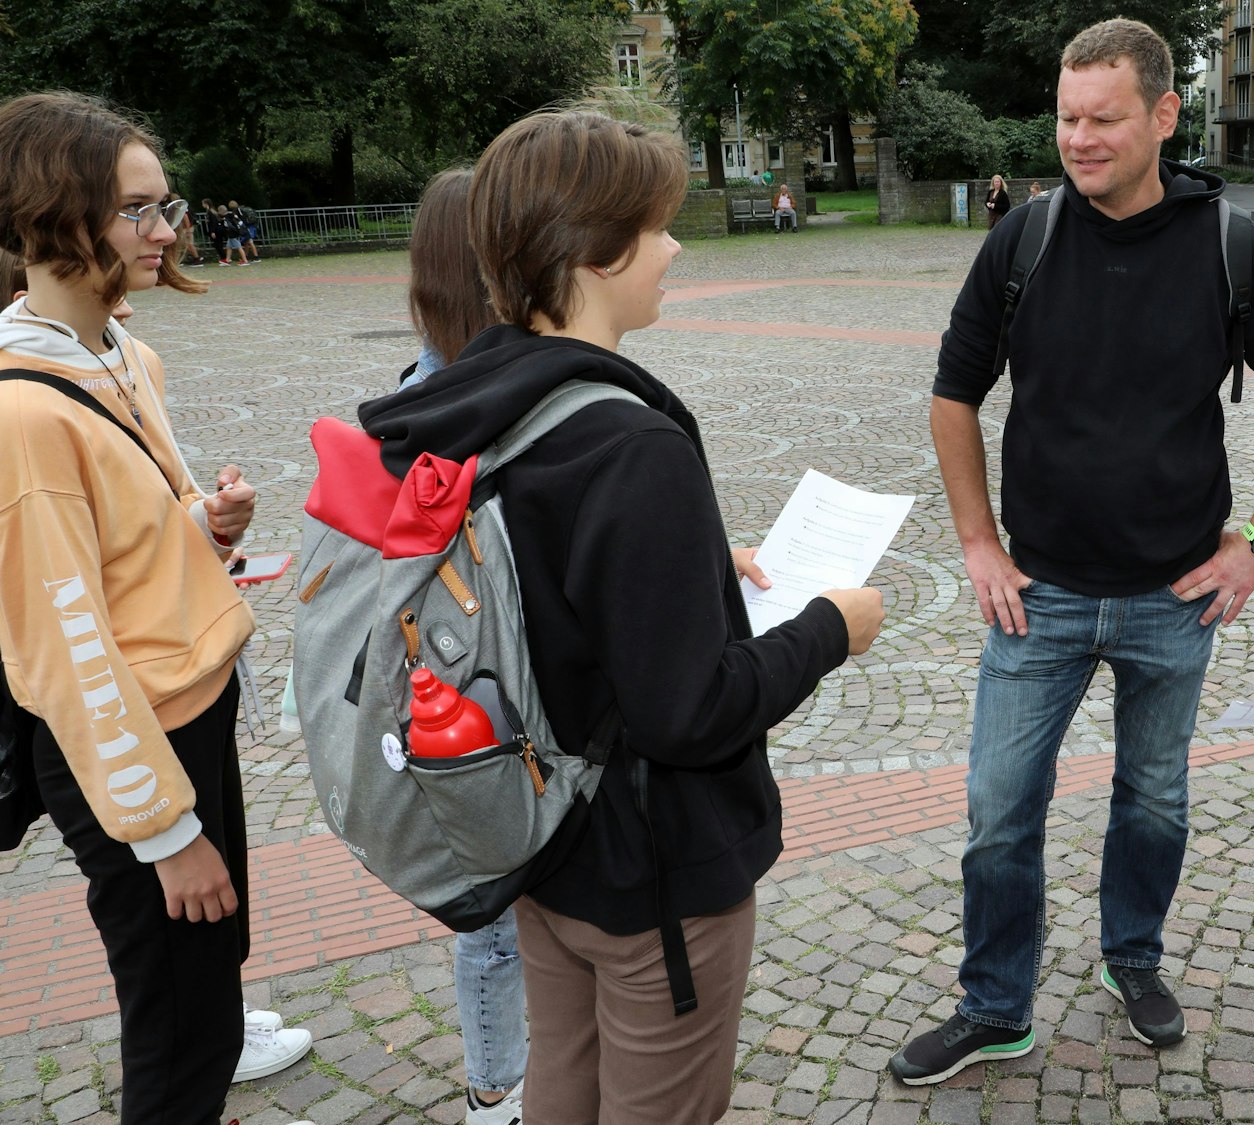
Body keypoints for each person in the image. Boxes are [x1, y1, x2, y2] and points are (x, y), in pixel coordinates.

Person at [355, 109, 883, 1125]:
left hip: (539, 842)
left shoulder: (471, 399)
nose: (676, 246)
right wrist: (829, 628)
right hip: (653, 875)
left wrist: (687, 568)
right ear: (595, 253)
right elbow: (688, 713)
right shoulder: (628, 445)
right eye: (656, 225)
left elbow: (537, 578)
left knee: (562, 1082)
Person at [890, 17, 1254, 1085]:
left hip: (1172, 597)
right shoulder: (1024, 238)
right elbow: (954, 395)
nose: (1078, 139)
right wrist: (975, 543)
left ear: (1161, 116)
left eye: (1102, 118)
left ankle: (1130, 957)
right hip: (1036, 594)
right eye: (1065, 118)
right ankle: (994, 1005)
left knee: (1154, 800)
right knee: (998, 811)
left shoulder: (1229, 246)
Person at [0, 91, 316, 1125]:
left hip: (196, 703)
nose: (167, 231)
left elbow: (130, 547)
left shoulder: (125, 356)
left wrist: (204, 526)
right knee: (181, 1034)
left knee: (211, 981)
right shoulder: (21, 414)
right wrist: (162, 829)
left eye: (163, 204)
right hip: (131, 745)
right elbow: (63, 644)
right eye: (138, 211)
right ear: (55, 214)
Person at [383, 167, 526, 1125]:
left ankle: (506, 1076)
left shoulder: (417, 386)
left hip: (456, 679)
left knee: (502, 904)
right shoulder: (460, 403)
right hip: (477, 686)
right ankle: (495, 1087)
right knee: (495, 909)